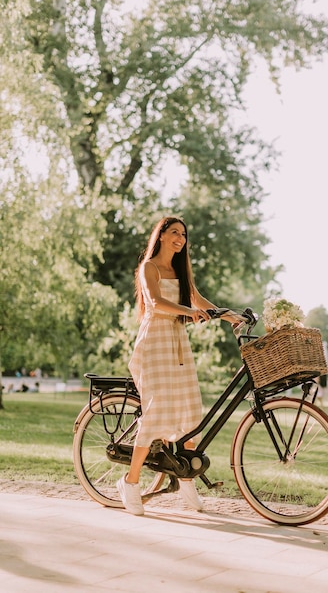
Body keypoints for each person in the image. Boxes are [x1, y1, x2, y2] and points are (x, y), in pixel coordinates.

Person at [117, 216, 241, 515]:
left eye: (183, 234)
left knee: (190, 411)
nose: (180, 238)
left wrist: (227, 315)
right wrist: (187, 311)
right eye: (174, 232)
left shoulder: (180, 270)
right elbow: (156, 303)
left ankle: (186, 481)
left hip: (177, 342)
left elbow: (197, 299)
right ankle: (130, 483)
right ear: (160, 236)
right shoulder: (149, 267)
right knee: (156, 411)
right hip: (155, 341)